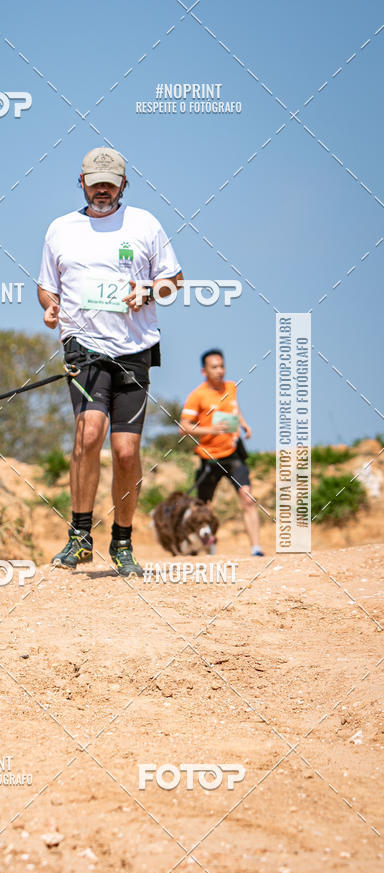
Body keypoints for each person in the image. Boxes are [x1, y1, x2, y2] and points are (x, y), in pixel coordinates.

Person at [37, 147, 183, 577]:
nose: (103, 188)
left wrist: (149, 293)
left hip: (134, 351)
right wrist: (49, 308)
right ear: (80, 182)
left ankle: (122, 541)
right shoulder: (60, 229)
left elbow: (174, 282)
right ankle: (79, 537)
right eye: (95, 181)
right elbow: (48, 288)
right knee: (88, 434)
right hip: (84, 349)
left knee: (125, 451)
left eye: (111, 181)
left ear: (124, 184)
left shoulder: (145, 224)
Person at [179, 349, 264, 557]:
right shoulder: (197, 396)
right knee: (204, 509)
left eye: (222, 366)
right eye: (214, 367)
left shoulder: (231, 387)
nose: (219, 371)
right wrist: (211, 430)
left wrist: (243, 424)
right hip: (209, 457)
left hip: (233, 453)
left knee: (247, 498)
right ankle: (207, 550)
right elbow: (184, 427)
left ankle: (256, 549)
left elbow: (235, 408)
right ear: (204, 371)